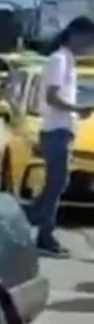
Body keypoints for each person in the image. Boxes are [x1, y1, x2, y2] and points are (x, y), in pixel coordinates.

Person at [28, 15, 94, 256]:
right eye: (88, 39)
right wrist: (78, 110)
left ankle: (32, 220)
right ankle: (43, 233)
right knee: (56, 184)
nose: (89, 44)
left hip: (62, 130)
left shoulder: (67, 60)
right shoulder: (59, 60)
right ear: (76, 34)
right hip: (56, 130)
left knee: (57, 183)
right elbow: (52, 97)